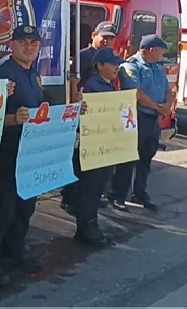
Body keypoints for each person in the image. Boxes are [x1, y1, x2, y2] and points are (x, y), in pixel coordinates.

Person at [0, 25, 45, 286]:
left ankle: (14, 251)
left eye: (33, 43)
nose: (29, 47)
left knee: (24, 208)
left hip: (28, 156)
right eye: (23, 42)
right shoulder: (2, 76)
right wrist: (14, 119)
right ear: (11, 46)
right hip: (5, 157)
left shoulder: (32, 74)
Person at [108, 35, 173, 212]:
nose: (164, 53)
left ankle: (139, 192)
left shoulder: (158, 67)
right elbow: (136, 93)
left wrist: (167, 105)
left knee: (146, 158)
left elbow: (168, 90)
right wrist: (158, 108)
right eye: (162, 50)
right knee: (127, 158)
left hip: (153, 119)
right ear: (152, 50)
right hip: (136, 118)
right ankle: (118, 194)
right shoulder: (130, 66)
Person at [62, 21, 116, 215]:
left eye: (111, 38)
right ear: (94, 34)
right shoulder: (83, 55)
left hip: (98, 116)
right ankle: (69, 197)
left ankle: (86, 197)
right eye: (104, 37)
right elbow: (74, 82)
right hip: (83, 112)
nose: (107, 41)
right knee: (77, 159)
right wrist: (75, 102)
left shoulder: (111, 57)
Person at [73, 48, 123, 247]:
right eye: (112, 64)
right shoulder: (92, 86)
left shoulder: (108, 85)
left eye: (118, 64)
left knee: (97, 188)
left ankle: (90, 226)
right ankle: (86, 228)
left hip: (104, 147)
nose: (116, 68)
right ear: (99, 66)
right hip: (92, 147)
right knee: (90, 188)